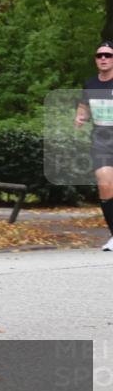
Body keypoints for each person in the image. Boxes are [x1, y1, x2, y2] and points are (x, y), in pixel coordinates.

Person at [75, 40, 113, 251]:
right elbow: (84, 107)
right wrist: (80, 117)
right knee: (105, 186)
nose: (104, 59)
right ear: (96, 60)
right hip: (102, 141)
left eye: (108, 55)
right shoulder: (90, 84)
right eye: (100, 56)